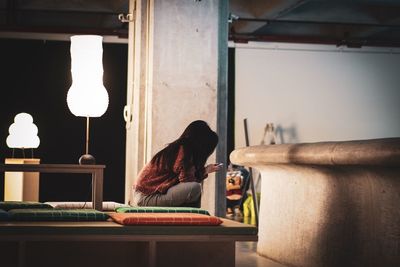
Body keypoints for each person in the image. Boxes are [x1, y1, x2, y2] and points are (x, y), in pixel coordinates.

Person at [131, 120, 221, 208]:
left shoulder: (180, 147)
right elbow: (187, 180)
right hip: (146, 197)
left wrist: (205, 170)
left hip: (144, 195)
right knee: (195, 188)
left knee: (193, 189)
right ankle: (193, 219)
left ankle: (191, 219)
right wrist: (205, 170)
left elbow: (185, 180)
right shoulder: (183, 150)